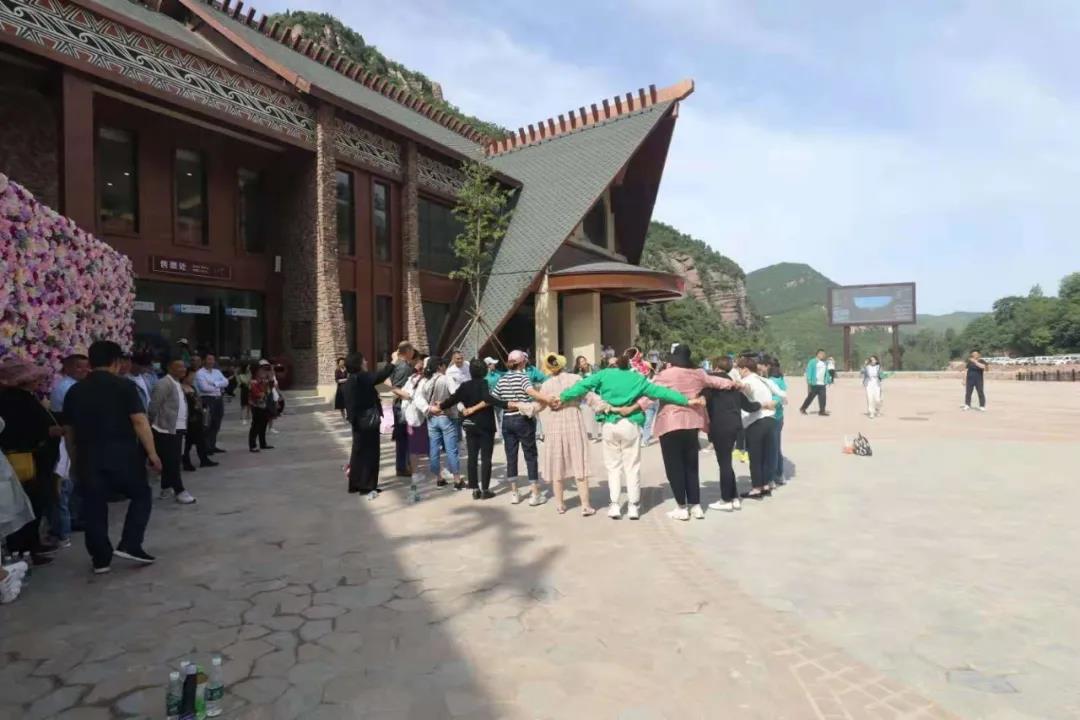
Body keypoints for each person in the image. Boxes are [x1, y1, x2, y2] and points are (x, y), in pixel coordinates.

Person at [560, 349, 693, 520]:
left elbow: (581, 386)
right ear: (628, 365)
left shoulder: (604, 374)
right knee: (632, 467)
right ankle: (633, 507)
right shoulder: (637, 378)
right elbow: (662, 392)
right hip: (630, 424)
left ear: (614, 365)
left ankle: (615, 505)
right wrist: (686, 400)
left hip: (609, 424)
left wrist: (563, 396)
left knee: (613, 467)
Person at [63, 341, 161, 573]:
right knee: (141, 494)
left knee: (94, 507)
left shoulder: (75, 391)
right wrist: (152, 453)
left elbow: (69, 431)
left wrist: (74, 460)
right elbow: (139, 421)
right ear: (116, 361)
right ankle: (130, 542)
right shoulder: (124, 386)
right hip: (122, 456)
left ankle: (101, 559)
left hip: (88, 457)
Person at [650, 344, 738, 521]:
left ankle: (681, 507)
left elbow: (649, 394)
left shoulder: (665, 375)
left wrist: (631, 408)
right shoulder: (698, 373)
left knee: (674, 467)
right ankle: (696, 506)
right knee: (691, 465)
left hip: (670, 423)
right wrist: (735, 384)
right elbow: (717, 382)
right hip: (692, 423)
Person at [0, 359, 62, 565]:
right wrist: (47, 431)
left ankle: (30, 544)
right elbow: (18, 429)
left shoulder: (25, 397)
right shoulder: (13, 400)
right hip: (28, 457)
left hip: (36, 457)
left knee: (35, 502)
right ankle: (24, 547)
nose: (38, 381)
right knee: (29, 502)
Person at [433, 359, 515, 500]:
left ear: (470, 371)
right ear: (484, 371)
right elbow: (488, 399)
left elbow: (453, 399)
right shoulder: (484, 383)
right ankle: (485, 490)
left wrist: (440, 406)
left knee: (472, 457)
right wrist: (507, 404)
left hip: (470, 425)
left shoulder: (465, 385)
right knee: (486, 458)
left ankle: (475, 489)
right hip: (485, 425)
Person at [534, 353, 596, 516]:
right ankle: (585, 505)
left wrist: (521, 408)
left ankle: (560, 505)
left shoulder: (546, 385)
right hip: (574, 419)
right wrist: (605, 407)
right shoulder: (576, 379)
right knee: (579, 461)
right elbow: (590, 397)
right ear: (562, 363)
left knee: (557, 464)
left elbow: (538, 406)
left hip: (554, 423)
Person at [494, 350, 554, 505]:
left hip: (507, 420)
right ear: (521, 363)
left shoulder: (502, 379)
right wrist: (548, 398)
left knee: (511, 456)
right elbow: (530, 391)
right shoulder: (523, 376)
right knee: (530, 455)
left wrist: (508, 404)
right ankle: (535, 494)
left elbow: (494, 397)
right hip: (523, 419)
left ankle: (514, 493)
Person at [705, 357, 764, 512]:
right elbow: (750, 407)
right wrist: (762, 404)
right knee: (727, 462)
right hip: (734, 426)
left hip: (719, 426)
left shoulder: (710, 385)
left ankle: (726, 500)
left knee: (724, 463)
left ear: (715, 367)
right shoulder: (733, 386)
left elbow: (704, 404)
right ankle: (734, 497)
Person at [49, 353, 90, 542]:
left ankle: (76, 517)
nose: (84, 370)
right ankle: (71, 521)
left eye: (86, 366)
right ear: (68, 368)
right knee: (69, 482)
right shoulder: (67, 387)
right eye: (79, 366)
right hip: (68, 439)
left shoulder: (73, 386)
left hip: (74, 437)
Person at [343, 352, 395, 496]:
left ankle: (356, 484)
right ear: (358, 363)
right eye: (364, 360)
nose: (366, 362)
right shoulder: (361, 377)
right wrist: (393, 362)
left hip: (357, 422)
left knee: (358, 452)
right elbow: (381, 376)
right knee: (370, 453)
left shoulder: (350, 380)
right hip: (368, 421)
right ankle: (367, 485)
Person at [148, 359, 195, 504]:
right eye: (179, 367)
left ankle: (166, 487)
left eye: (184, 366)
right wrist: (153, 424)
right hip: (165, 429)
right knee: (173, 461)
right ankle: (180, 490)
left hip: (177, 427)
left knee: (170, 460)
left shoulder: (177, 383)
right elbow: (154, 406)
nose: (183, 369)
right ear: (169, 368)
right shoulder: (164, 383)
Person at [737, 356, 779, 499]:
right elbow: (780, 395)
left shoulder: (746, 381)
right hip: (771, 420)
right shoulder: (764, 381)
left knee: (755, 457)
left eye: (739, 369)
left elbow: (746, 389)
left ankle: (756, 488)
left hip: (756, 422)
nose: (739, 372)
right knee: (766, 456)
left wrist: (742, 386)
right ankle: (766, 485)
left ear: (745, 369)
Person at [422, 356, 463, 490]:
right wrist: (445, 405)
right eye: (444, 365)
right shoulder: (446, 379)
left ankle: (439, 478)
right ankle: (457, 479)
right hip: (446, 416)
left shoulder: (426, 382)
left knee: (434, 449)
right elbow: (456, 395)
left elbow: (423, 400)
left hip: (432, 417)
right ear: (440, 366)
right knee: (451, 449)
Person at [390, 341, 417, 477]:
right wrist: (407, 395)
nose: (413, 352)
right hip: (402, 407)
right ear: (407, 351)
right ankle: (402, 467)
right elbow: (396, 387)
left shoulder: (400, 364)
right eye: (412, 350)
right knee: (403, 438)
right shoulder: (403, 367)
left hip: (401, 406)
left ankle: (404, 465)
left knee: (404, 437)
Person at [181, 369, 215, 470]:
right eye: (191, 376)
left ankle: (203, 459)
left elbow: (198, 400)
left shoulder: (192, 387)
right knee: (188, 441)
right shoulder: (181, 388)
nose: (192, 378)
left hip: (197, 416)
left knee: (200, 440)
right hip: (189, 418)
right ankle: (186, 461)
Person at [195, 353, 229, 452]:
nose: (211, 362)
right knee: (207, 423)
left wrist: (214, 383)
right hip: (207, 399)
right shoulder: (200, 373)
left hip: (218, 399)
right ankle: (206, 447)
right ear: (204, 361)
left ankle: (212, 445)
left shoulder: (217, 371)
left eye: (213, 360)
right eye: (209, 359)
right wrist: (219, 386)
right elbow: (204, 388)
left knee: (216, 423)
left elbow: (226, 382)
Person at [766, 357, 789, 485]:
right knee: (776, 447)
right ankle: (779, 474)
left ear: (768, 366)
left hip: (772, 417)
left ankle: (771, 477)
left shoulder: (772, 381)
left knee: (771, 448)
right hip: (779, 417)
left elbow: (776, 399)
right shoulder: (780, 379)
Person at [247, 361, 276, 452]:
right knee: (256, 425)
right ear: (256, 371)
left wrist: (271, 375)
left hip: (264, 405)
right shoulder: (253, 382)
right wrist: (264, 391)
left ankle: (263, 443)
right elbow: (257, 393)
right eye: (261, 370)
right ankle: (252, 445)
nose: (263, 372)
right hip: (256, 405)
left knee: (263, 424)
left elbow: (271, 386)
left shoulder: (262, 380)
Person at [573, 355, 601, 442]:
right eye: (581, 362)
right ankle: (590, 434)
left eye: (584, 360)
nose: (583, 362)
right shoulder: (579, 373)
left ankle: (596, 435)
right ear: (579, 365)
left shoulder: (594, 368)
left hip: (596, 394)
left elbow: (599, 378)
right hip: (585, 396)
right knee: (588, 416)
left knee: (596, 414)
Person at [800, 349, 832, 416]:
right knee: (810, 397)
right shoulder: (812, 362)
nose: (823, 355)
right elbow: (809, 371)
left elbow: (826, 372)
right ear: (818, 354)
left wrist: (828, 380)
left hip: (822, 384)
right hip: (814, 383)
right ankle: (803, 408)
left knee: (823, 398)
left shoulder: (824, 363)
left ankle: (822, 411)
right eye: (822, 354)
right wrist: (809, 380)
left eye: (824, 354)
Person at [235, 361, 252, 426]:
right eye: (248, 366)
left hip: (249, 389)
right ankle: (242, 416)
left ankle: (248, 415)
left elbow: (250, 380)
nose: (249, 367)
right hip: (244, 389)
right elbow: (240, 382)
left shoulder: (249, 372)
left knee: (249, 403)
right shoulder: (240, 374)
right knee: (244, 403)